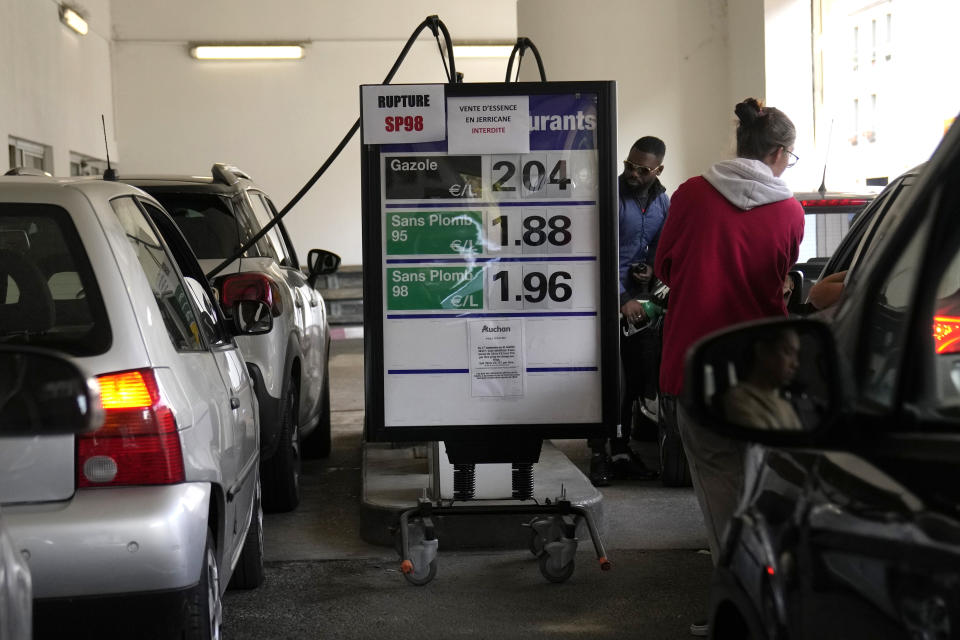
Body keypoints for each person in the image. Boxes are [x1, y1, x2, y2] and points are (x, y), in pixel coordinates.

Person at [654, 98, 804, 636]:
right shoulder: (791, 211)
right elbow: (779, 274)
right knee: (760, 480)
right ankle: (768, 597)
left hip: (696, 361)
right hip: (760, 365)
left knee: (717, 483)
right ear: (781, 152)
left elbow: (663, 265)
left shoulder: (692, 194)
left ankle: (733, 599)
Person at [589, 136, 669, 486]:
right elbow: (594, 252)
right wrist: (622, 298)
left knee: (638, 376)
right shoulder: (609, 195)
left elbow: (659, 247)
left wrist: (650, 271)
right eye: (629, 165)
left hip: (639, 301)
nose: (633, 173)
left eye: (642, 169)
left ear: (658, 170)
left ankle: (622, 451)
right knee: (610, 383)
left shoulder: (662, 201)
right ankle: (599, 455)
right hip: (604, 298)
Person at [721, 327, 804, 431]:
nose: (795, 364)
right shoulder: (738, 398)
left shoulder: (786, 406)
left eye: (796, 355)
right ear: (761, 350)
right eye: (787, 352)